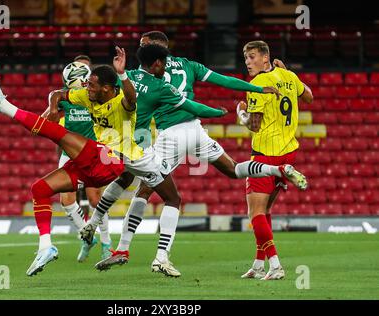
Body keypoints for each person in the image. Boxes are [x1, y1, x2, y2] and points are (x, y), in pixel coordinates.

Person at [89, 44, 307, 277]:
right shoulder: (187, 65)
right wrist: (223, 108)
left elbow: (114, 94)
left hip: (167, 136)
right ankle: (277, 170)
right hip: (195, 131)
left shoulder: (137, 78)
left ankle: (132, 250)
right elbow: (221, 82)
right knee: (233, 169)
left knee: (148, 191)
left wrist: (115, 78)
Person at [0, 47, 143, 276]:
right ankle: (45, 246)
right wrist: (52, 107)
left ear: (107, 88)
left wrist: (122, 74)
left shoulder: (121, 101)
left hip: (108, 159)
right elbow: (58, 94)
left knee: (56, 133)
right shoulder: (85, 96)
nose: (87, 87)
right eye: (86, 83)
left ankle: (2, 105)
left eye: (92, 84)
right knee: (39, 189)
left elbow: (132, 97)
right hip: (88, 163)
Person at [237, 41, 312, 280]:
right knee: (266, 209)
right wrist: (289, 73)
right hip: (288, 150)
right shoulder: (287, 74)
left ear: (265, 57)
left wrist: (241, 115)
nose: (247, 62)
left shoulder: (257, 84)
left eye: (251, 57)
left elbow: (255, 125)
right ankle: (259, 264)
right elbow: (309, 97)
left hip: (265, 155)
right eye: (245, 58)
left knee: (255, 214)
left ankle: (276, 265)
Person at [54, 55, 112, 262]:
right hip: (69, 153)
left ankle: (106, 244)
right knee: (66, 200)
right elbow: (48, 120)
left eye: (86, 69)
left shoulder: (96, 96)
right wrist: (52, 105)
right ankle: (87, 237)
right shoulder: (65, 98)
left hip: (93, 151)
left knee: (96, 200)